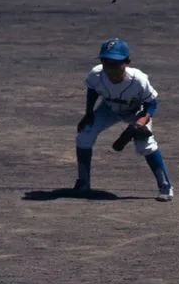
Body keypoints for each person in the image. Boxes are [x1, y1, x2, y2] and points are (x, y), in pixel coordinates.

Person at [74, 38, 173, 201]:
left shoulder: (138, 80)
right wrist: (88, 113)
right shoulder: (96, 74)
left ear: (126, 62)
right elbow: (92, 91)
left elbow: (151, 103)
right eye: (106, 61)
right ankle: (83, 182)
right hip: (109, 108)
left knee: (145, 145)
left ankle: (166, 187)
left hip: (137, 110)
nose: (109, 67)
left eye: (114, 62)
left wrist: (141, 123)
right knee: (84, 135)